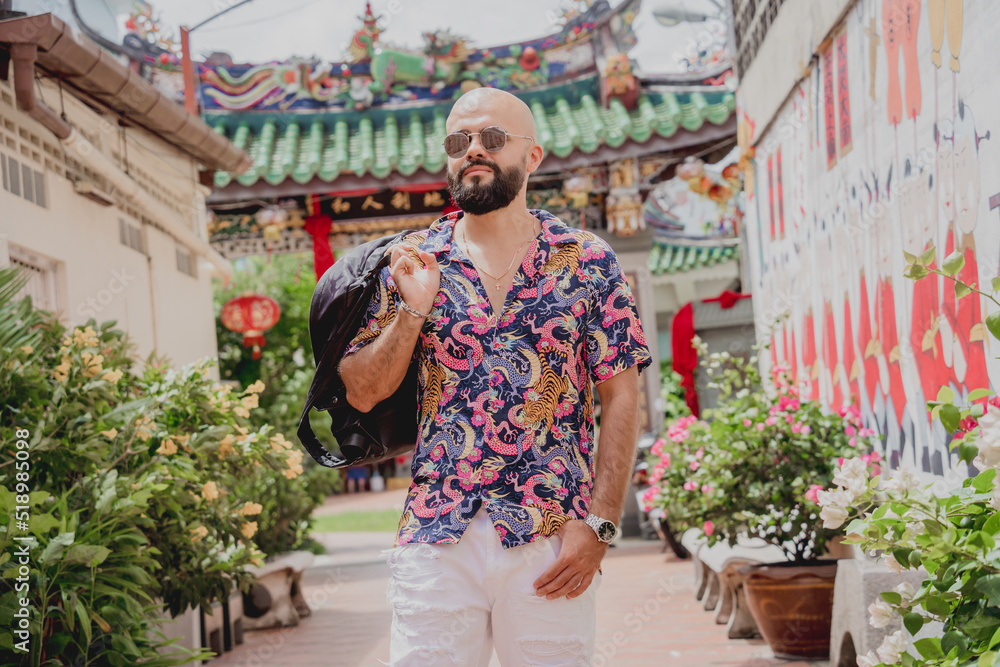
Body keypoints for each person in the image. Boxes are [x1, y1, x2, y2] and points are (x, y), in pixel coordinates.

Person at [339, 87, 651, 666]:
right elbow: (362, 389)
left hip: (550, 531)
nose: (474, 151)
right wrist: (413, 310)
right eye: (460, 141)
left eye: (493, 138)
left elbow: (621, 394)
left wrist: (601, 524)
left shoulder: (586, 260)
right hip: (438, 529)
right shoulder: (413, 260)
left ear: (532, 157)